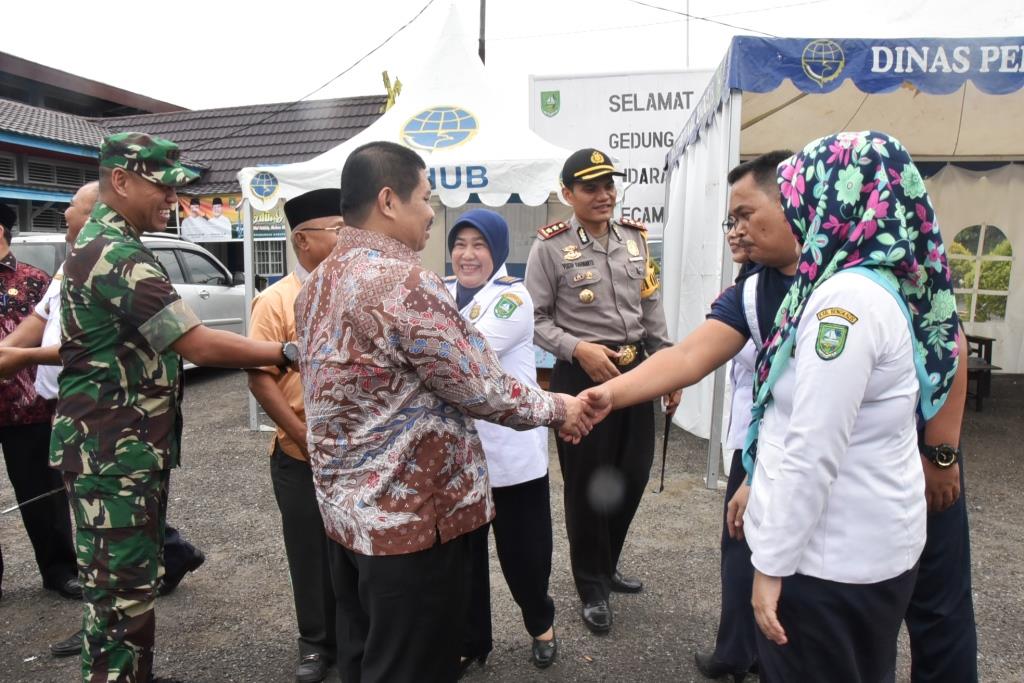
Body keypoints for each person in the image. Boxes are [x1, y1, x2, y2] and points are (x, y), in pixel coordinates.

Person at [294, 140, 590, 683]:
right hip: (408, 524)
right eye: (425, 198)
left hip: (347, 518)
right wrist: (560, 407)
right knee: (411, 665)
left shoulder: (316, 284)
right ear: (389, 200)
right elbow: (482, 387)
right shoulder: (404, 283)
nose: (432, 211)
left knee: (363, 656)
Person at [51, 132, 295, 683]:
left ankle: (129, 672)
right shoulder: (115, 253)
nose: (173, 201)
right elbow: (198, 343)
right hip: (114, 456)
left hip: (119, 449)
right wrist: (288, 350)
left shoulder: (109, 243)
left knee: (125, 585)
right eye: (164, 188)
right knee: (121, 592)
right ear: (121, 180)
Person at [722, 132, 958, 682]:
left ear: (837, 200)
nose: (797, 207)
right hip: (858, 549)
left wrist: (771, 564)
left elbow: (814, 446)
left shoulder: (843, 302)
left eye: (802, 193)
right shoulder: (876, 283)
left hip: (826, 564)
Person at [0, 181, 206, 658]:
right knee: (103, 532)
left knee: (115, 533)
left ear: (99, 210)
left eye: (72, 205)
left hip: (109, 421)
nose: (66, 214)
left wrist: (21, 357)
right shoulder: (65, 272)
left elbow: (90, 344)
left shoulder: (111, 265)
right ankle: (113, 618)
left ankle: (122, 615)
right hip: (75, 417)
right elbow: (35, 327)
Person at [524, 147, 677, 635]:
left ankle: (606, 563)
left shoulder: (635, 240)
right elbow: (534, 318)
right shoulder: (549, 247)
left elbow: (650, 307)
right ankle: (591, 584)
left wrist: (669, 366)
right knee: (589, 488)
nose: (604, 194)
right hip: (582, 382)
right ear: (568, 194)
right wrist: (577, 349)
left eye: (609, 184)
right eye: (591, 187)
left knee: (631, 477)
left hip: (636, 376)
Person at [444, 209, 557, 673]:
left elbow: (468, 357)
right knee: (463, 562)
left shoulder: (514, 298)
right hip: (459, 459)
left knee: (525, 557)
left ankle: (541, 624)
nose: (467, 255)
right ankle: (473, 642)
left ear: (498, 251)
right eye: (460, 244)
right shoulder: (440, 290)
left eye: (479, 245)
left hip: (511, 457)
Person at [247, 188, 343, 683]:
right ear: (304, 240)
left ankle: (355, 641)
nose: (348, 238)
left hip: (354, 453)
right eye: (338, 230)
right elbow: (260, 375)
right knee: (308, 551)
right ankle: (315, 644)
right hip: (299, 452)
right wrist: (301, 434)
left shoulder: (352, 288)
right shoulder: (276, 299)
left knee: (354, 551)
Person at [0, 202, 80, 603]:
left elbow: (52, 337)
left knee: (42, 492)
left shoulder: (34, 280)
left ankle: (60, 570)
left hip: (26, 409)